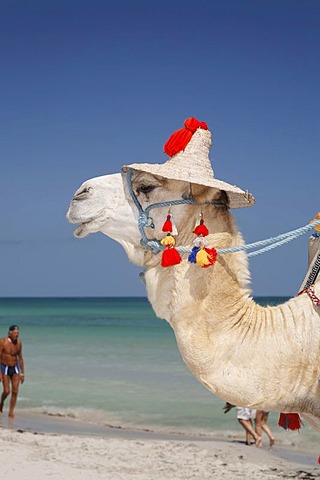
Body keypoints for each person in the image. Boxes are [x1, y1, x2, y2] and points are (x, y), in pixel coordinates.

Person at [0, 325, 25, 418]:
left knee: (15, 391)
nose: (17, 334)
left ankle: (11, 412)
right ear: (10, 333)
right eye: (15, 333)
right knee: (7, 391)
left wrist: (22, 373)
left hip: (15, 367)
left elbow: (21, 358)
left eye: (18, 333)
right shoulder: (3, 342)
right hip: (5, 367)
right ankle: (1, 402)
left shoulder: (19, 343)